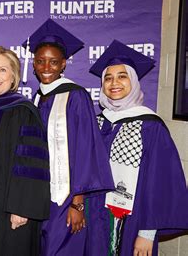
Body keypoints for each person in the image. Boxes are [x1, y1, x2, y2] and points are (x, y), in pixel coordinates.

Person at [87, 40, 188, 256]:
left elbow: (160, 182)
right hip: (93, 221)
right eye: (108, 78)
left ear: (133, 81)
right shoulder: (96, 123)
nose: (114, 83)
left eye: (122, 76)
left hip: (132, 222)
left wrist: (148, 233)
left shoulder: (150, 126)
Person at [24, 19, 114, 255]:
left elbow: (85, 151)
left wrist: (77, 203)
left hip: (65, 200)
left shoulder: (76, 96)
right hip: (39, 197)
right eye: (40, 61)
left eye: (53, 62)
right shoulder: (37, 98)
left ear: (63, 64)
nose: (46, 67)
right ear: (33, 64)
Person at [0, 46, 51, 256]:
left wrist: (21, 208)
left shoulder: (23, 111)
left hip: (12, 209)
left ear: (14, 75)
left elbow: (31, 164)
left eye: (2, 70)